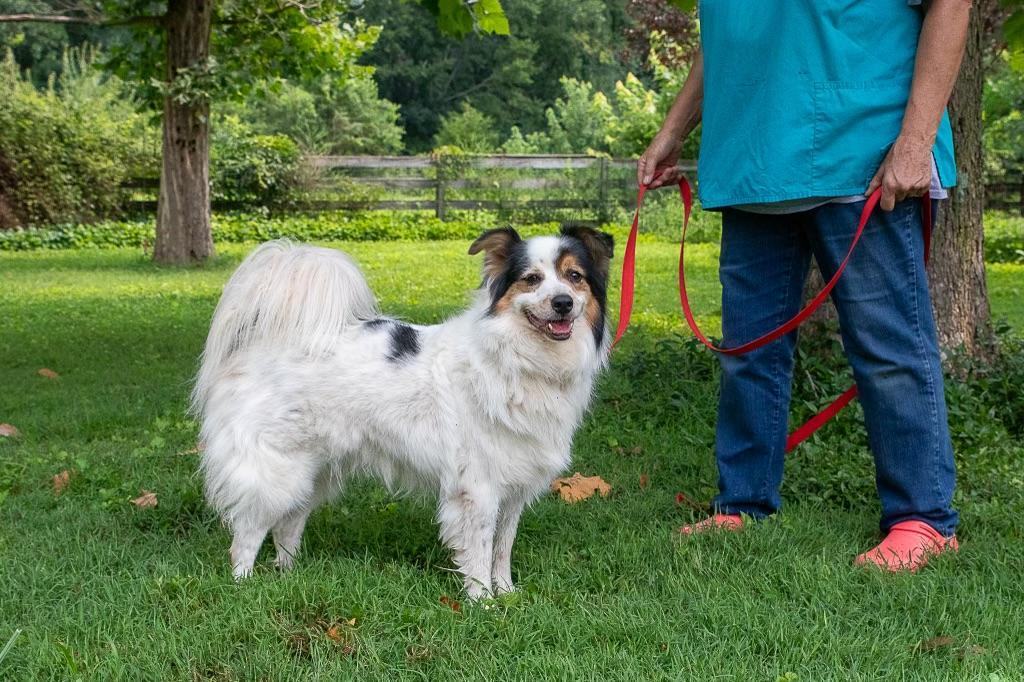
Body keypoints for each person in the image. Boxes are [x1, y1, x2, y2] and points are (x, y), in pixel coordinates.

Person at [638, 0, 972, 571]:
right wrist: (673, 129)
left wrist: (915, 144)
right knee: (749, 350)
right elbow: (727, 35)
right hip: (751, 158)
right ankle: (742, 503)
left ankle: (923, 519)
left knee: (887, 347)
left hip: (861, 148)